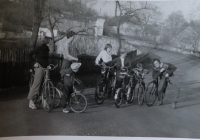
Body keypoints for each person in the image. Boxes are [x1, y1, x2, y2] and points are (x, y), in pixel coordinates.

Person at [27, 37, 63, 110]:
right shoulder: (39, 48)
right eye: (50, 42)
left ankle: (42, 100)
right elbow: (29, 54)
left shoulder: (47, 50)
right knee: (36, 84)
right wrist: (34, 63)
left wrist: (49, 64)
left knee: (46, 85)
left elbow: (47, 58)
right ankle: (31, 101)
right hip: (39, 68)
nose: (51, 43)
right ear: (46, 42)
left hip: (46, 68)